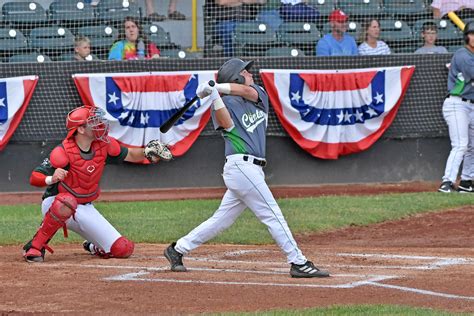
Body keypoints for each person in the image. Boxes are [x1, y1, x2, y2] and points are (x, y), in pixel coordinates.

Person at [163, 58, 330, 278]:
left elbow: (246, 91)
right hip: (240, 166)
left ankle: (177, 250)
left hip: (252, 169)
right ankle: (298, 262)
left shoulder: (258, 94)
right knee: (272, 214)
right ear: (237, 76)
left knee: (221, 220)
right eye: (246, 72)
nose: (251, 75)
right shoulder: (225, 104)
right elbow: (227, 125)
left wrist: (217, 88)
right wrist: (215, 97)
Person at [22, 105, 169, 262]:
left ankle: (93, 246)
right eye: (93, 122)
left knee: (123, 248)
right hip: (56, 202)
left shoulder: (103, 145)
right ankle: (36, 246)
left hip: (84, 206)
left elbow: (131, 155)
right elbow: (34, 177)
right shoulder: (63, 151)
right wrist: (51, 178)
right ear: (81, 129)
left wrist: (148, 151)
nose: (100, 124)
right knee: (66, 202)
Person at [438, 22, 474, 193]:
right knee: (460, 144)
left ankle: (466, 181)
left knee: (472, 146)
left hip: (472, 105)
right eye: (472, 34)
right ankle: (447, 181)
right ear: (466, 37)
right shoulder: (462, 55)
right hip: (457, 103)